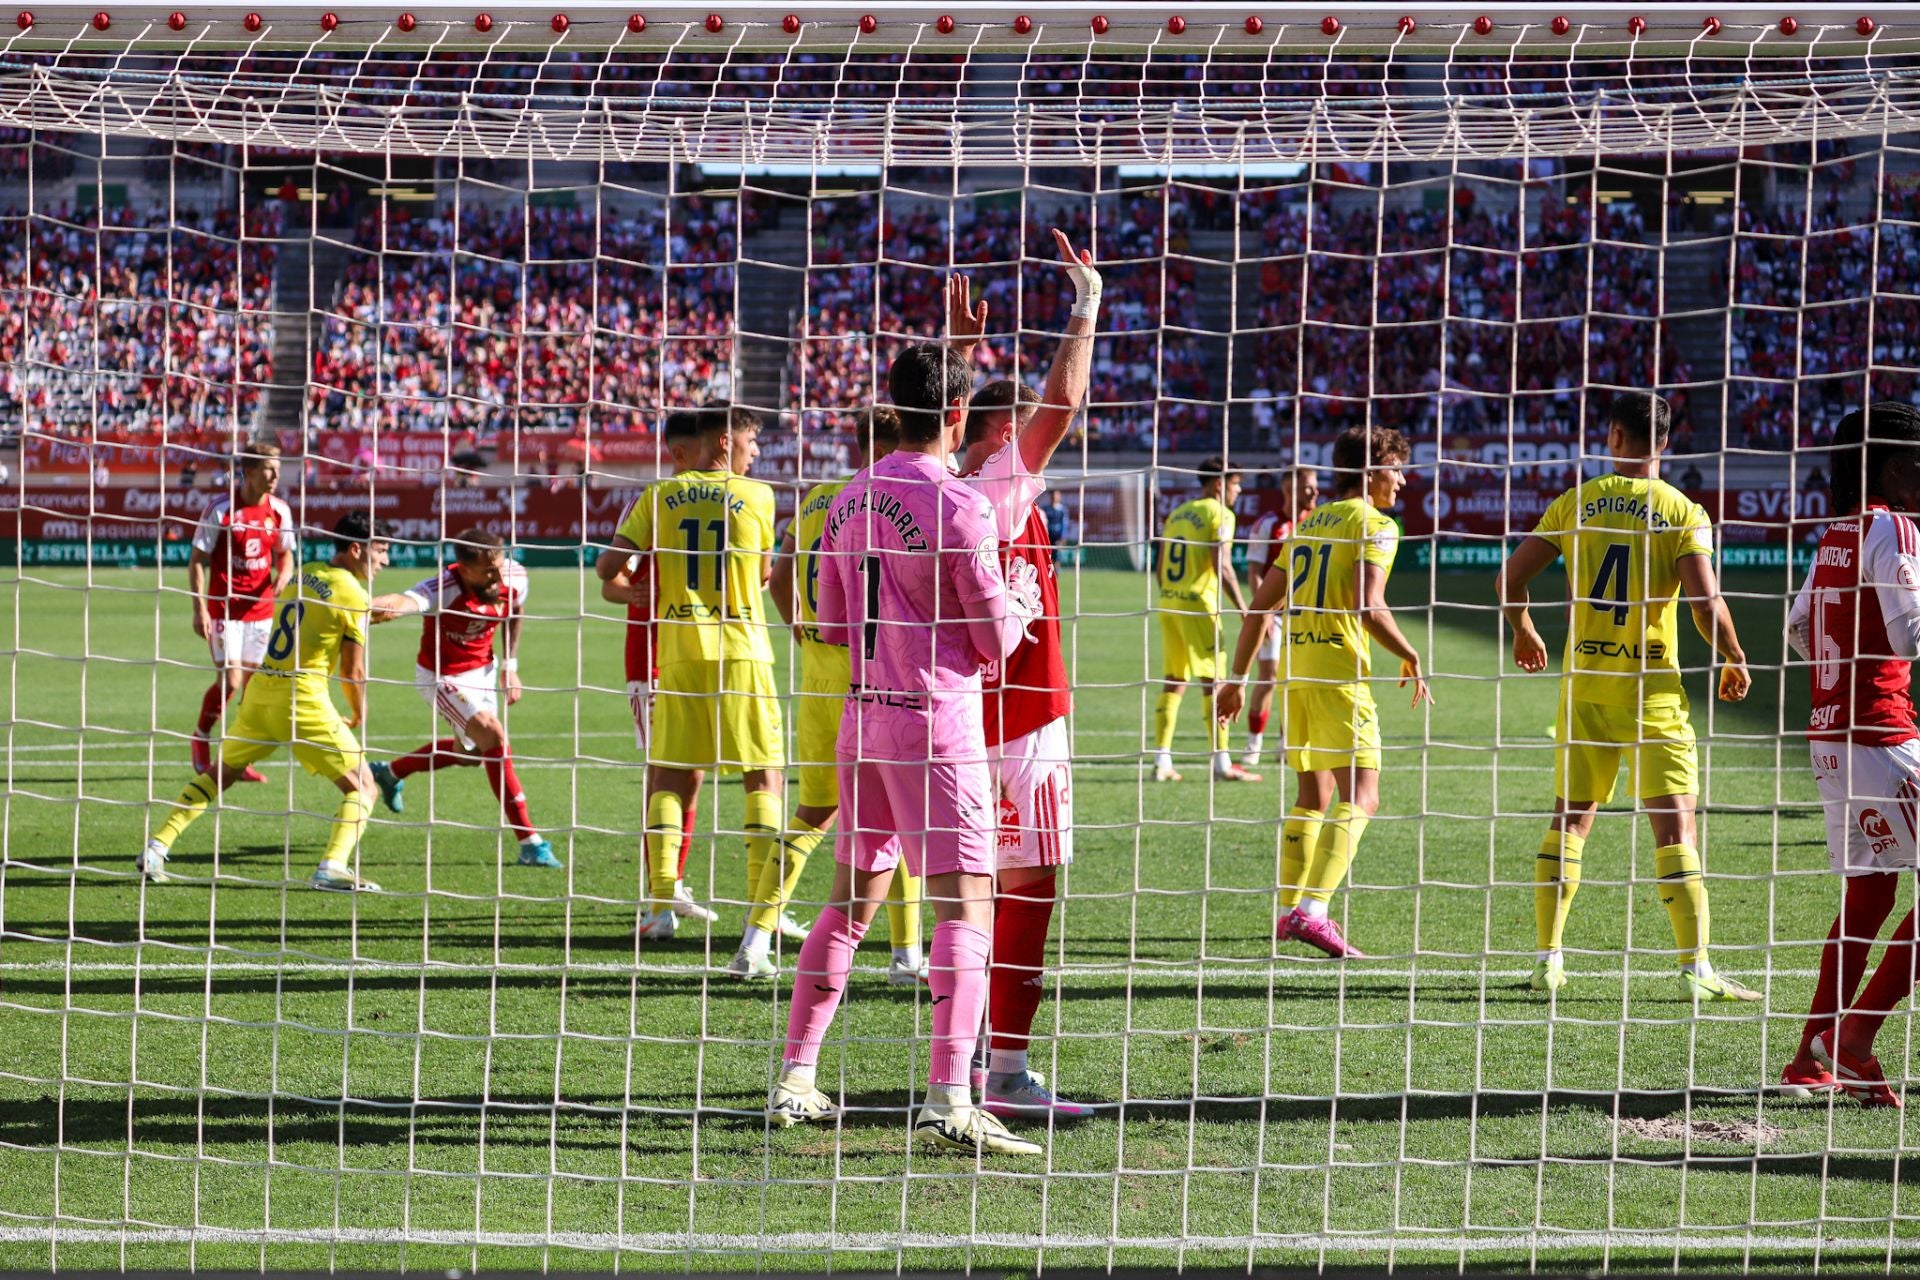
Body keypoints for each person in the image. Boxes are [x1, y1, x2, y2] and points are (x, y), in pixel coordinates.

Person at [767, 342, 1041, 1157]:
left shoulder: (851, 497)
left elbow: (830, 625)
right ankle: (952, 1097)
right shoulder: (963, 506)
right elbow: (992, 642)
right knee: (966, 906)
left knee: (851, 903)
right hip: (935, 721)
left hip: (863, 717)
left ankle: (795, 1079)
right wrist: (1021, 602)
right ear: (959, 416)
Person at [1495, 392, 1759, 1001]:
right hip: (1652, 694)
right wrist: (1733, 655)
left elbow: (1510, 577)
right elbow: (1704, 602)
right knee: (1675, 830)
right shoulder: (1682, 510)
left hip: (1585, 688)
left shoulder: (1576, 502)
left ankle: (1547, 959)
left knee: (1570, 821)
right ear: (1666, 442)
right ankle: (1697, 970)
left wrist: (1523, 628)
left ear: (1613, 436)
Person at [944, 233, 1099, 1121]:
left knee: (967, 889)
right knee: (1028, 886)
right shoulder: (1002, 479)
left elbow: (941, 414)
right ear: (1003, 429)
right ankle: (1003, 1072)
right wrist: (1086, 304)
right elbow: (1066, 398)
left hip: (955, 713)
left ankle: (957, 1066)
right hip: (1025, 714)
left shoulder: (932, 484)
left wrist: (959, 353)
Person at [1219, 427, 1431, 958]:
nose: (1402, 482)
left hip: (1298, 673)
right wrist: (1409, 652)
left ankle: (1286, 910)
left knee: (1312, 796)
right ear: (1372, 469)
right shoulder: (1377, 525)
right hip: (1340, 677)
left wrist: (1238, 680)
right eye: (1396, 469)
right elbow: (1368, 604)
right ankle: (1311, 912)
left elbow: (1259, 608)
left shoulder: (1311, 524)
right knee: (1363, 796)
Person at [596, 404, 781, 940]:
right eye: (751, 442)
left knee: (671, 779)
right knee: (762, 777)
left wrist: (646, 587)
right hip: (743, 652)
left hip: (677, 655)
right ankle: (758, 917)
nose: (756, 452)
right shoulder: (761, 496)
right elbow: (766, 572)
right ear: (725, 442)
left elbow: (608, 569)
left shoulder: (656, 497)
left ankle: (658, 905)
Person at [139, 511, 398, 892]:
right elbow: (353, 670)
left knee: (218, 775)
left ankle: (156, 847)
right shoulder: (353, 594)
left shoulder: (305, 572)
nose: (385, 561)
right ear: (358, 549)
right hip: (302, 700)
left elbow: (317, 619)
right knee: (363, 787)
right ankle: (332, 867)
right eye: (382, 550)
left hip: (260, 693)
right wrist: (358, 712)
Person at [1782, 402, 1920, 1106]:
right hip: (1880, 734)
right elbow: (1910, 637)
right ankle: (1856, 1035)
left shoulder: (1837, 530)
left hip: (1830, 737)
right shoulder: (1893, 526)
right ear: (1893, 464)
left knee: (1869, 897)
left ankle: (1811, 1058)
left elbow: (1799, 624)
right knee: (1872, 896)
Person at [763, 406, 925, 984]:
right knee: (903, 821)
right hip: (874, 679)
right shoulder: (889, 497)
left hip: (816, 677)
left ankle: (756, 938)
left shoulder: (814, 500)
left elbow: (779, 579)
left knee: (811, 814)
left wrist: (800, 628)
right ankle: (907, 957)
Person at [366, 529, 559, 870]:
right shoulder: (442, 588)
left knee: (470, 755)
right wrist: (371, 608)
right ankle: (530, 842)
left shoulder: (513, 576)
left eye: (499, 565)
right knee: (494, 736)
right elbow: (405, 602)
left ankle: (390, 772)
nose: (497, 576)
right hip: (442, 678)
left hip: (482, 672)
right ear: (464, 568)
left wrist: (510, 666)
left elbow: (515, 610)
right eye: (487, 570)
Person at [186, 445, 296, 782]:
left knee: (252, 690)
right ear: (247, 472)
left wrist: (284, 575)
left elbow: (286, 555)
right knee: (230, 682)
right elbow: (197, 561)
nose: (275, 475)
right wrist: (199, 609)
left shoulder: (280, 511)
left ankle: (238, 757)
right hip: (224, 612)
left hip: (261, 612)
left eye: (276, 468)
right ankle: (201, 736)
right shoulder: (221, 510)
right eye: (268, 469)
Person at [1152, 457, 1254, 783]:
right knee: (1215, 682)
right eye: (1237, 483)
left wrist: (1171, 594)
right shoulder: (1220, 513)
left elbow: (1160, 563)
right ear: (1220, 484)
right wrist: (1243, 607)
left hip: (1169, 602)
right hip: (1200, 605)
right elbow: (1222, 565)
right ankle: (1222, 763)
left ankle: (1161, 760)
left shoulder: (1178, 514)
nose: (1239, 490)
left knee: (1175, 679)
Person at [1240, 465, 1321, 768]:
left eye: (1315, 486)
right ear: (1290, 489)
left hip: (1305, 616)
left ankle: (1286, 743)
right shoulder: (1269, 524)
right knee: (1269, 677)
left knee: (1299, 679)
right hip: (1273, 616)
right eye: (1309, 487)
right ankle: (1253, 744)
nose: (1315, 492)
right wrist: (1264, 615)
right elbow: (1254, 573)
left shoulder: (1316, 523)